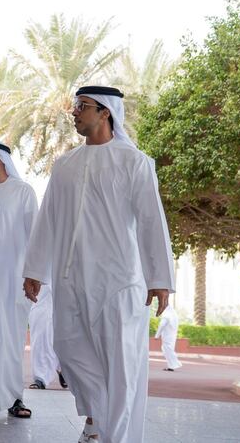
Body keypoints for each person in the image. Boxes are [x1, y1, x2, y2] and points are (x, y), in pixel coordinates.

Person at [22, 86, 175, 443]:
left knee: (121, 368)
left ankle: (114, 436)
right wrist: (35, 269)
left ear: (105, 112)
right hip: (70, 278)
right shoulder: (66, 165)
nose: (74, 113)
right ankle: (98, 418)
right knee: (69, 351)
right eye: (75, 107)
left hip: (118, 282)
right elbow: (48, 219)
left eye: (82, 107)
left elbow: (152, 220)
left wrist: (160, 277)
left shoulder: (133, 161)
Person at [0, 140, 37, 419]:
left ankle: (15, 397)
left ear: (0, 158)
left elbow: (35, 236)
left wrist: (33, 275)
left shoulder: (22, 192)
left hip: (14, 278)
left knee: (11, 339)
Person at [28, 283, 68, 390]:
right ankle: (41, 375)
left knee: (70, 314)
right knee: (42, 317)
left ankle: (65, 366)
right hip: (43, 271)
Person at [155, 305, 182, 371]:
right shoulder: (174, 315)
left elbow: (161, 325)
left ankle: (175, 364)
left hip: (167, 335)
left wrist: (157, 335)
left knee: (167, 349)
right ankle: (171, 366)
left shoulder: (166, 315)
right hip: (172, 335)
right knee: (168, 349)